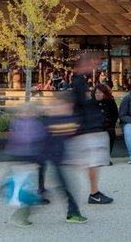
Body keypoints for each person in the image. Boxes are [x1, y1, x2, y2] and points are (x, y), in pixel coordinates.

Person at [70, 54, 113, 205]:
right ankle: (93, 194)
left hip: (86, 128)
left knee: (92, 162)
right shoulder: (78, 81)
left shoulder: (80, 80)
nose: (94, 66)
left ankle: (94, 192)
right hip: (86, 129)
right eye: (92, 63)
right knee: (90, 161)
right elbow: (77, 105)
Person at [42, 93, 88, 224]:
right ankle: (73, 213)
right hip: (53, 159)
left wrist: (77, 156)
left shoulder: (72, 120)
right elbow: (44, 141)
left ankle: (73, 212)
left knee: (68, 186)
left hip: (62, 160)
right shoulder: (51, 121)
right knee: (65, 187)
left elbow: (74, 137)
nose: (61, 107)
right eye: (58, 105)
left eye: (64, 105)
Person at [94, 83, 119, 163]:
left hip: (107, 125)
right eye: (96, 92)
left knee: (111, 132)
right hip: (94, 126)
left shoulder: (110, 102)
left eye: (100, 93)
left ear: (105, 94)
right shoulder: (91, 102)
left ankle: (106, 157)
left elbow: (115, 115)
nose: (97, 94)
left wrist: (110, 124)